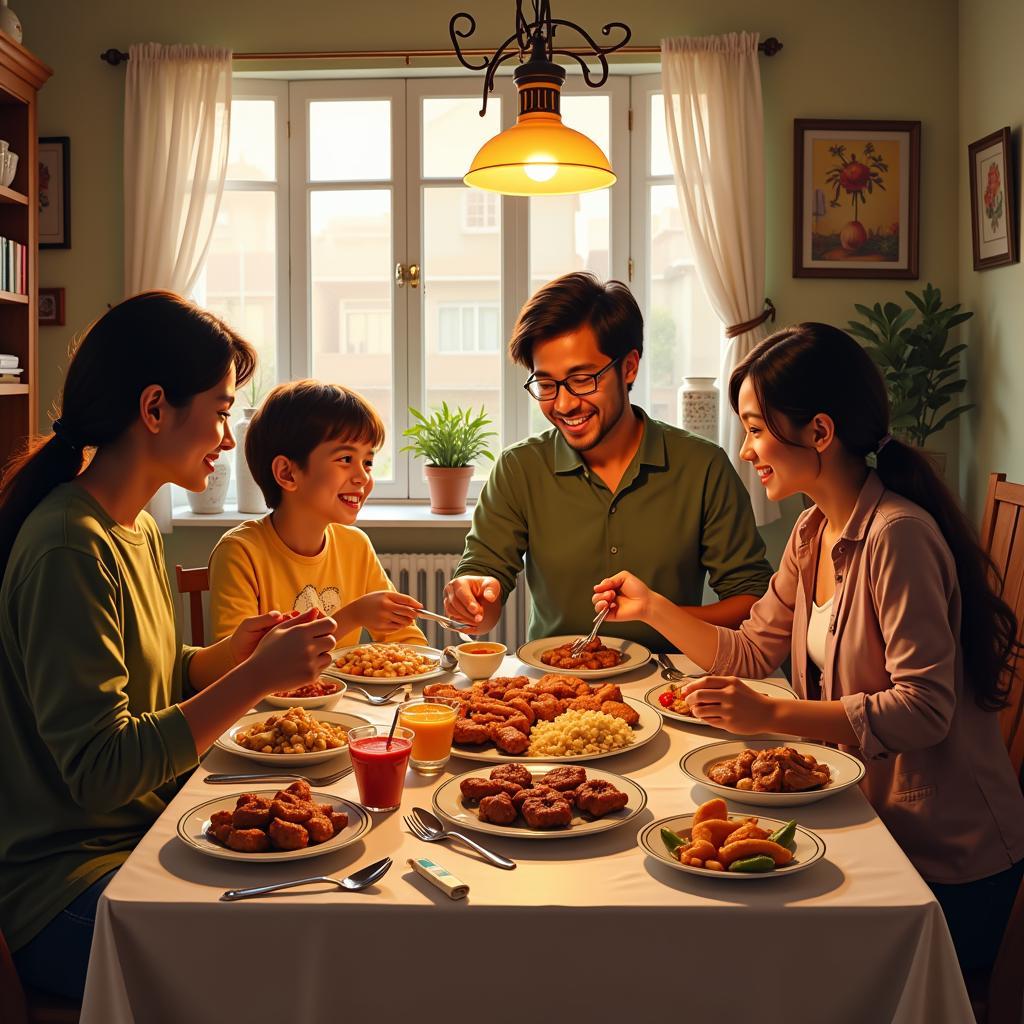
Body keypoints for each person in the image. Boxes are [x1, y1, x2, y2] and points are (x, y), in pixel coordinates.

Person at [593, 322, 1024, 973]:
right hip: (861, 818)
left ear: (820, 432)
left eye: (756, 429)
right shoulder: (813, 530)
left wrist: (770, 717)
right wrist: (652, 607)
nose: (745, 451)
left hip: (941, 857)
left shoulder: (896, 537)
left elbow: (925, 708)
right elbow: (748, 653)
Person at [0, 292, 338, 999]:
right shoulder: (70, 546)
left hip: (140, 840)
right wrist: (252, 683)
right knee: (286, 968)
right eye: (219, 410)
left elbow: (156, 678)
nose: (227, 434)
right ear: (155, 409)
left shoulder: (136, 528)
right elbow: (101, 767)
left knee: (325, 913)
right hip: (68, 885)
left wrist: (234, 657)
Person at [444, 272, 772, 652]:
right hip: (557, 690)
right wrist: (472, 600)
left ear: (629, 367)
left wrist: (657, 612)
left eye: (582, 379)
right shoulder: (519, 468)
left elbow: (751, 602)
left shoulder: (703, 467)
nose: (564, 404)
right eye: (546, 385)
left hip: (671, 685)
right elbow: (484, 597)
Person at [210, 380, 425, 647]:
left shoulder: (356, 546)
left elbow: (407, 642)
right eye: (346, 459)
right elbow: (241, 666)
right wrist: (353, 615)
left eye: (368, 462)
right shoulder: (240, 552)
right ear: (287, 473)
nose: (362, 477)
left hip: (351, 692)